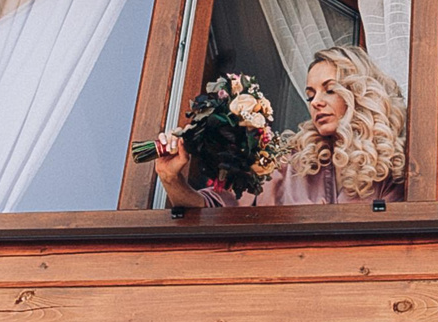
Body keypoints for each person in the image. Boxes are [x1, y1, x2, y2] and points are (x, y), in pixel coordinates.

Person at [155, 44, 406, 207]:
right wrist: (171, 178)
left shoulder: (391, 168)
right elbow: (213, 209)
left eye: (329, 90)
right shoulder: (289, 164)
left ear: (359, 93)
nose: (316, 102)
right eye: (310, 96)